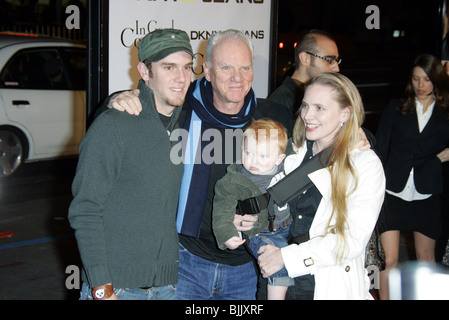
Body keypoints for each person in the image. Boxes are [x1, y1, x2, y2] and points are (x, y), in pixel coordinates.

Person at [103, 29, 294, 300]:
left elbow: (309, 163)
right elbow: (116, 127)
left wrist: (356, 135)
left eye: (245, 67)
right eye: (226, 67)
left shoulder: (273, 119)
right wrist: (115, 100)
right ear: (207, 70)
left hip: (247, 266)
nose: (237, 77)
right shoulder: (181, 107)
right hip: (185, 261)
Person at [68, 28, 194, 300]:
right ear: (145, 71)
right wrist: (101, 288)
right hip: (116, 288)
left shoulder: (186, 123)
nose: (181, 77)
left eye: (187, 67)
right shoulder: (113, 125)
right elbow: (85, 209)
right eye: (168, 67)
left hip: (167, 288)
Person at [257, 72, 386, 300]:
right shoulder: (288, 151)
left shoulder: (364, 165)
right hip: (274, 282)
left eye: (320, 108)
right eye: (305, 105)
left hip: (325, 284)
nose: (307, 115)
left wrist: (286, 258)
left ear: (345, 113)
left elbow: (350, 241)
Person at [375, 54, 449, 300]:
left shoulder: (446, 113)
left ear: (436, 80)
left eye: (427, 80)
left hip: (427, 193)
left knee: (426, 261)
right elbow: (381, 146)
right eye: (416, 79)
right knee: (389, 260)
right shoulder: (396, 107)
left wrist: (439, 159)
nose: (420, 85)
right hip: (392, 191)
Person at [212, 118, 294, 300]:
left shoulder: (286, 166)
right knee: (277, 264)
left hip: (289, 226)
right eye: (248, 153)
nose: (253, 160)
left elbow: (300, 145)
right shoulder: (233, 181)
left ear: (280, 158)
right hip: (260, 233)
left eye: (263, 156)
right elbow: (222, 209)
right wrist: (226, 234)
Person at [268, 29, 341, 116]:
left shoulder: (313, 96)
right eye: (329, 60)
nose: (336, 68)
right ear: (305, 59)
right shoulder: (281, 103)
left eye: (337, 61)